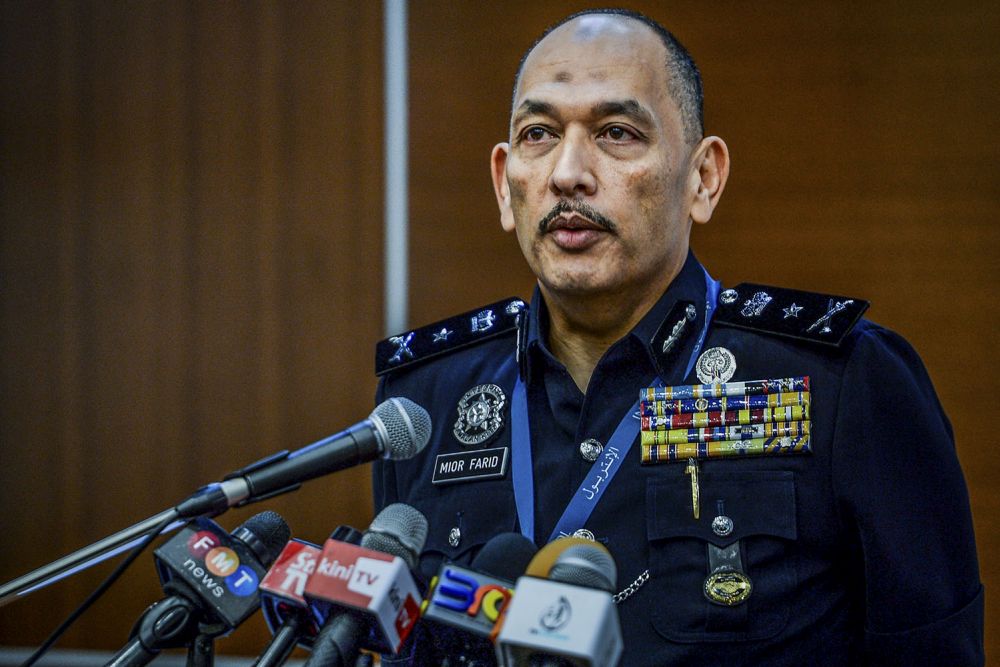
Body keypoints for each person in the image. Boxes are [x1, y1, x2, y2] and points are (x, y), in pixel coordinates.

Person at [372, 8, 983, 665]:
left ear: (704, 178)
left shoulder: (844, 381)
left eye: (616, 132)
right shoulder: (421, 403)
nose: (568, 172)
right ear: (503, 183)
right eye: (539, 133)